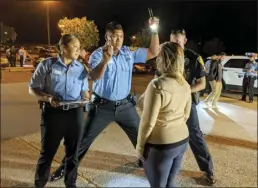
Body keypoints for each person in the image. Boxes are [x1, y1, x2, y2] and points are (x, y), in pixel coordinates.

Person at [50, 18, 160, 181]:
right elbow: (94, 76)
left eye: (121, 36)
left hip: (125, 106)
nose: (117, 40)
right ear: (106, 37)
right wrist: (105, 60)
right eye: (114, 36)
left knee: (141, 137)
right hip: (102, 107)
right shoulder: (97, 54)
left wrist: (154, 30)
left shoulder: (128, 54)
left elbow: (153, 51)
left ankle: (145, 163)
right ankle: (65, 168)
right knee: (83, 140)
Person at [29, 34, 90, 188]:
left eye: (79, 46)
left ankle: (71, 184)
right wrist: (48, 98)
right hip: (53, 113)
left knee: (73, 155)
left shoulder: (81, 68)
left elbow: (84, 91)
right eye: (75, 46)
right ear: (63, 48)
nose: (78, 50)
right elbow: (33, 88)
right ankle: (40, 184)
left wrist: (86, 97)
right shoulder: (47, 65)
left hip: (75, 113)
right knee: (47, 153)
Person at [156, 29, 215, 185]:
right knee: (163, 134)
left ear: (185, 41)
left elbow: (202, 84)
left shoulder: (195, 58)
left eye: (178, 42)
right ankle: (156, 165)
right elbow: (157, 78)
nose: (175, 45)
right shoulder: (164, 56)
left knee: (195, 136)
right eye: (172, 41)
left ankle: (208, 169)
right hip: (167, 103)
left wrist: (183, 89)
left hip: (186, 103)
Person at [137, 42, 191, 187]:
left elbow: (148, 121)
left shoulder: (157, 85)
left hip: (161, 144)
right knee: (170, 183)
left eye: (158, 56)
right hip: (182, 140)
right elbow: (186, 114)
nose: (156, 59)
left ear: (164, 59)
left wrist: (140, 147)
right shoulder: (185, 84)